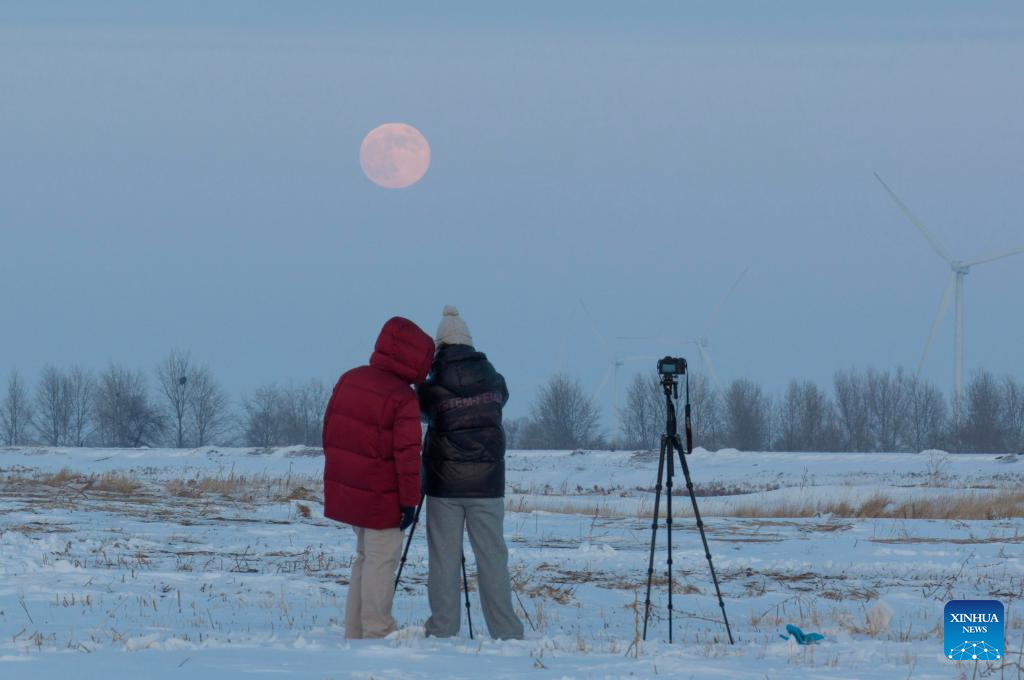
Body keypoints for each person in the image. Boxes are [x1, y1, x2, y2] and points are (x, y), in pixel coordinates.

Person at [322, 316, 434, 639]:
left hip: (352, 490)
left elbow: (330, 432)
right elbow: (408, 457)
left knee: (364, 558)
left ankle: (354, 630)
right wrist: (409, 502)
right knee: (381, 561)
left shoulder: (350, 379)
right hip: (383, 495)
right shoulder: (402, 397)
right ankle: (376, 629)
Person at [418, 306, 524, 640]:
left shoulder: (432, 386)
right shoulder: (494, 380)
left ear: (439, 345)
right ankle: (506, 630)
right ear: (468, 341)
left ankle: (443, 628)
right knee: (493, 558)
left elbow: (421, 411)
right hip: (489, 484)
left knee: (444, 560)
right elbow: (501, 400)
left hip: (444, 484)